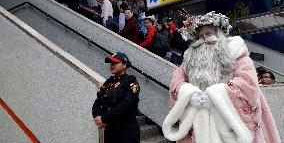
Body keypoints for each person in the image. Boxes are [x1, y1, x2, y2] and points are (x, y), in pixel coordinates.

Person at [162, 11, 280, 142]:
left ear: (219, 35)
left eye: (209, 33)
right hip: (198, 124)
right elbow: (176, 81)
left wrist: (216, 96)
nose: (205, 38)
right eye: (200, 36)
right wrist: (189, 95)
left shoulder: (237, 54)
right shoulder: (189, 60)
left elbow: (248, 83)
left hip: (228, 125)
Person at [92, 52, 140, 143]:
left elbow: (125, 105)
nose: (112, 65)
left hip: (127, 132)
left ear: (124, 65)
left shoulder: (131, 82)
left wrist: (104, 118)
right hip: (111, 130)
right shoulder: (109, 83)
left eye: (115, 63)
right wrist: (96, 116)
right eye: (111, 63)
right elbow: (98, 101)